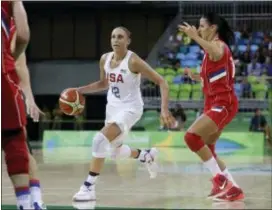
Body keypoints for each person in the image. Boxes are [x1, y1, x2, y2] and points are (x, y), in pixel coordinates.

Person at [72, 26, 174, 201]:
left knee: (99, 140)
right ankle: (146, 155)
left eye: (120, 37)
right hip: (112, 107)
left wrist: (164, 109)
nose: (115, 40)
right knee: (114, 152)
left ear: (128, 41)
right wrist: (79, 90)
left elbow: (162, 82)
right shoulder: (105, 58)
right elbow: (104, 84)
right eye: (113, 37)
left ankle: (88, 187)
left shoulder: (133, 61)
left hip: (130, 108)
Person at [178, 12, 244, 201]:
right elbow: (217, 74)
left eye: (202, 26)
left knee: (191, 137)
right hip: (215, 103)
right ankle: (234, 189)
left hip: (223, 104)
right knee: (209, 148)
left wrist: (195, 37)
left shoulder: (218, 46)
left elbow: (217, 52)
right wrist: (197, 77)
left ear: (213, 28)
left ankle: (220, 179)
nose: (199, 29)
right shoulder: (211, 51)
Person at [2, 2, 46, 209]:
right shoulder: (9, 16)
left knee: (23, 147)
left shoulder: (9, 24)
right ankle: (29, 203)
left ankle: (35, 201)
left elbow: (20, 64)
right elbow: (23, 38)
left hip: (11, 84)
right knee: (16, 141)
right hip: (5, 83)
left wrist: (29, 96)